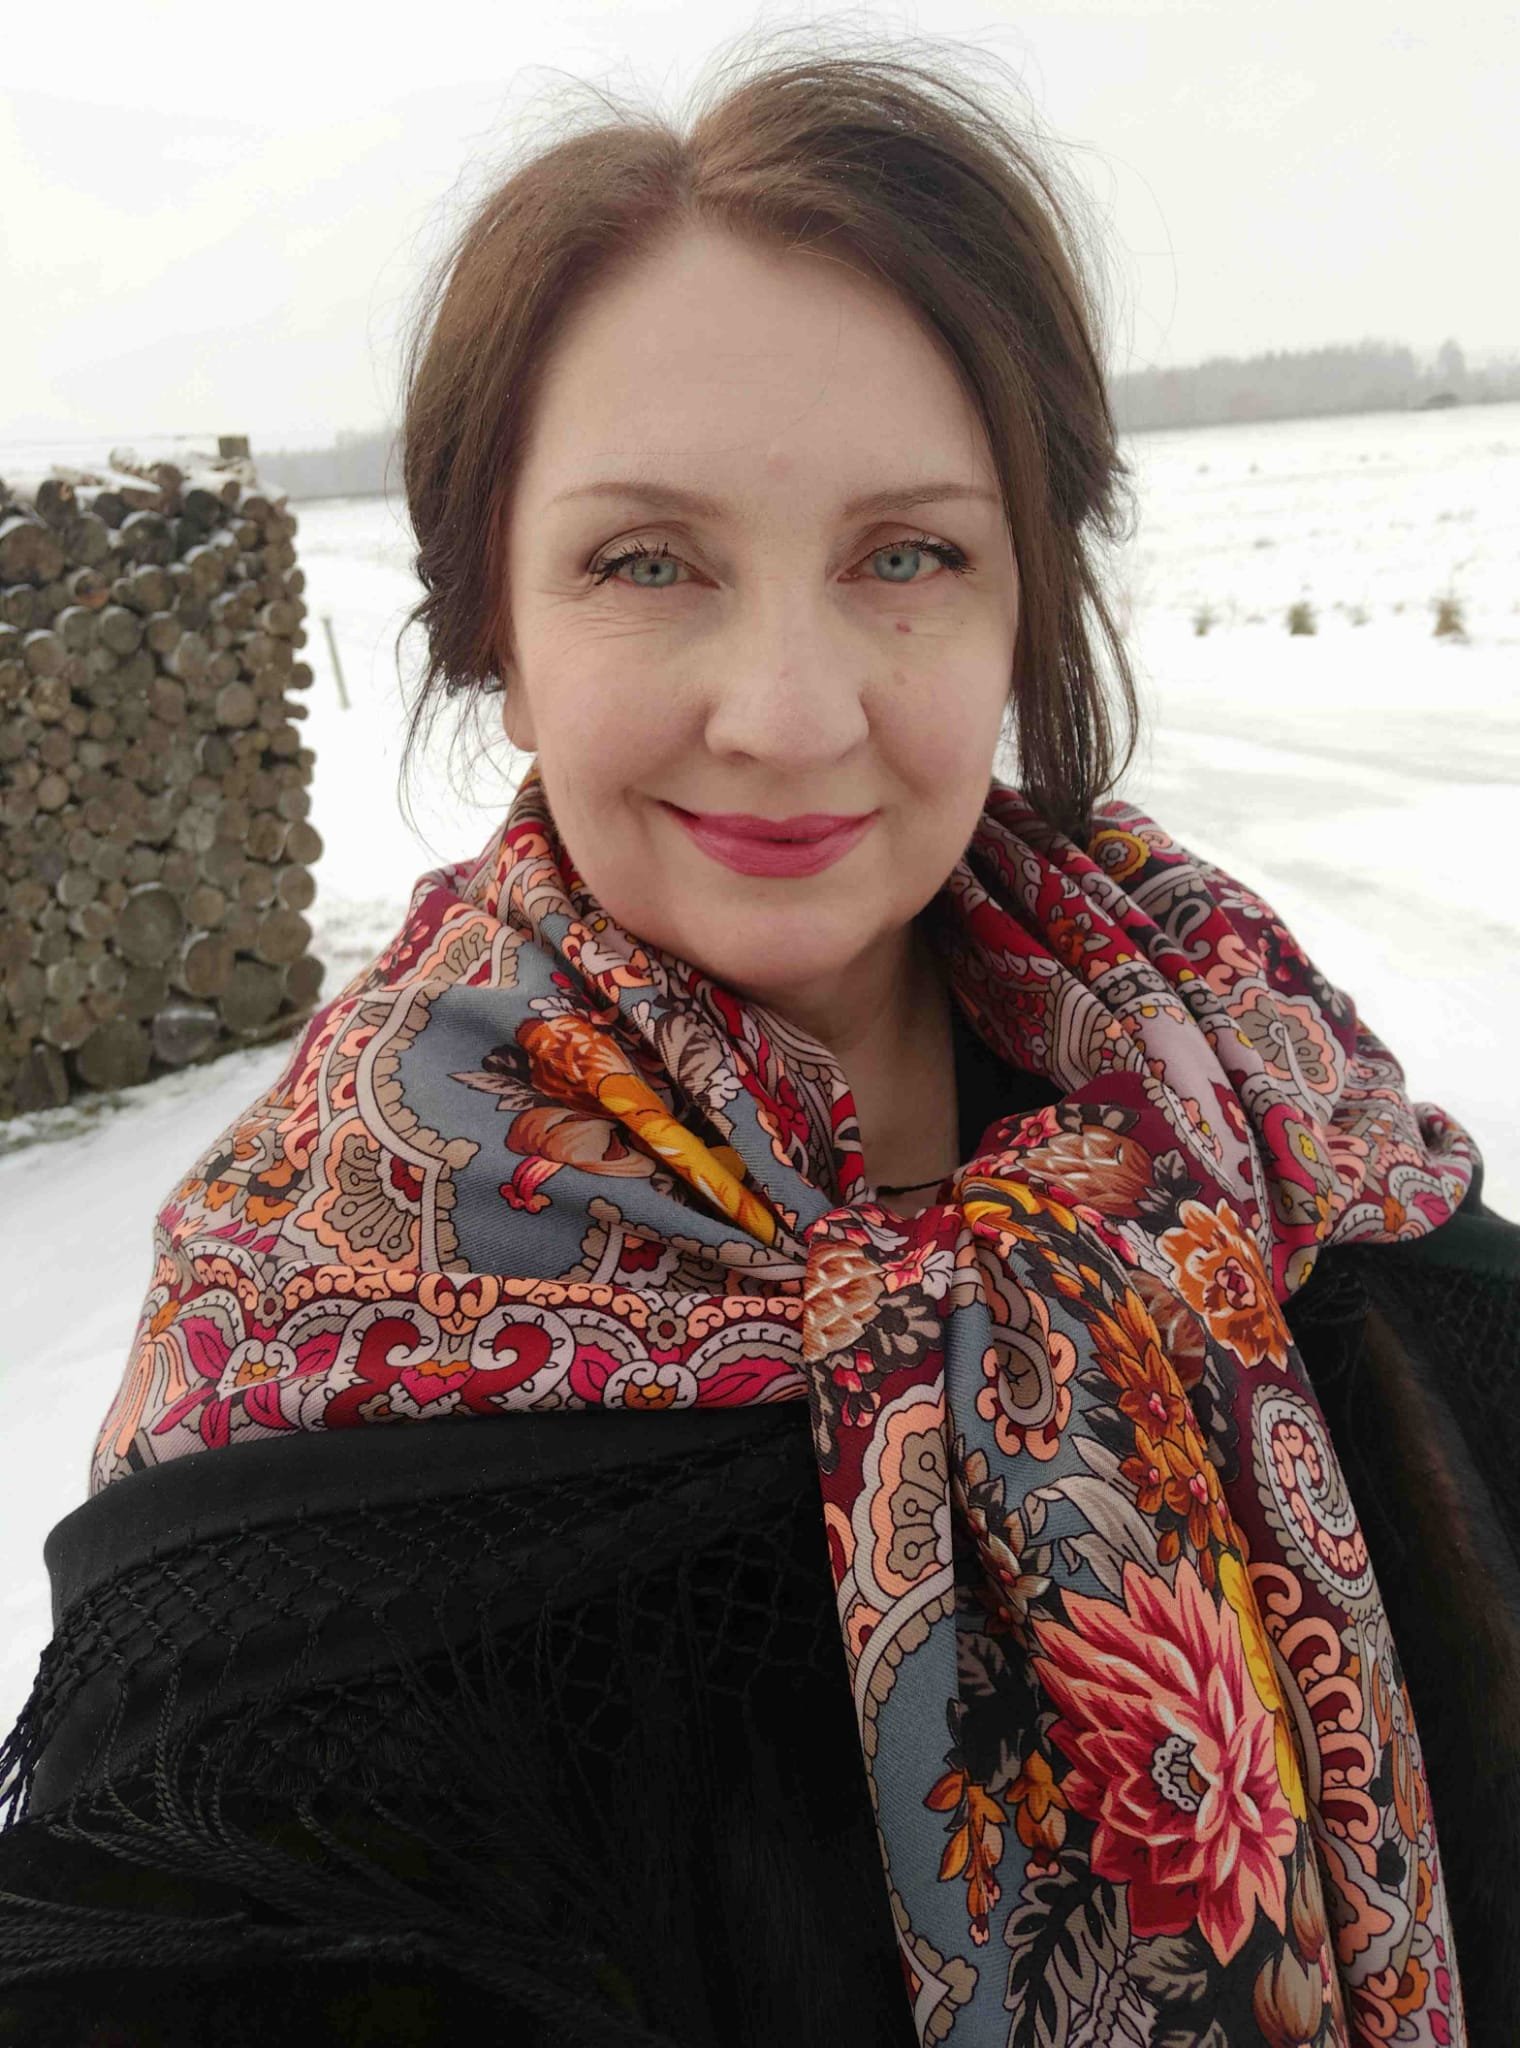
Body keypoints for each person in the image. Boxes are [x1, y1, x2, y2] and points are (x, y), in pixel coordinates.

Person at [2, 32, 1516, 2048]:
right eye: (648, 562)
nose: (790, 713)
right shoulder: (321, 1361)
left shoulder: (1292, 1136)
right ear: (493, 626)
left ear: (1024, 601)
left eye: (909, 555)